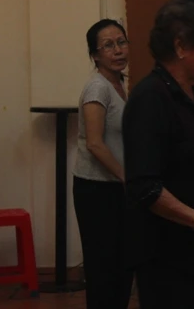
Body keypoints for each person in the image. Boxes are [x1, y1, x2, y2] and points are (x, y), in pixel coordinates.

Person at [122, 0, 194, 309]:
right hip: (167, 257)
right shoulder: (151, 98)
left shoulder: (192, 95)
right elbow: (145, 186)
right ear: (181, 46)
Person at [72, 19, 133, 309]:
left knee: (122, 264)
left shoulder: (119, 84)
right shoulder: (97, 88)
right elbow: (95, 143)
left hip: (116, 186)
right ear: (95, 55)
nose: (118, 50)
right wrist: (126, 177)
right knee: (103, 269)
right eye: (108, 46)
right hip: (96, 189)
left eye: (121, 42)